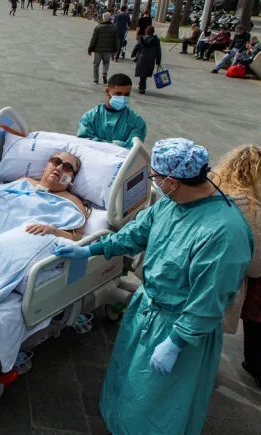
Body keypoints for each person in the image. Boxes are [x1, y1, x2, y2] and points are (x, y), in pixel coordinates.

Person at [54, 138, 253, 435]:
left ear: (172, 181)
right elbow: (135, 234)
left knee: (157, 402)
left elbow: (209, 299)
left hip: (180, 329)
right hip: (148, 311)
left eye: (155, 178)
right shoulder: (172, 204)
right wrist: (89, 250)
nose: (154, 183)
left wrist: (176, 343)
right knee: (129, 382)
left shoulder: (224, 232)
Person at [213, 145, 261, 389]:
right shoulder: (251, 208)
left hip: (193, 270)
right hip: (225, 282)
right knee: (209, 335)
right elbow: (256, 268)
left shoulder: (212, 187)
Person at [22, 152, 87, 241]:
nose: (59, 168)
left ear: (71, 179)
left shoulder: (73, 202)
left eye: (67, 167)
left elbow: (76, 237)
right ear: (45, 168)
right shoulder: (23, 182)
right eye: (56, 162)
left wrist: (53, 231)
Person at [77, 73, 147, 149]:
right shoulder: (89, 118)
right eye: (118, 94)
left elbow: (132, 150)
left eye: (126, 94)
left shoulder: (137, 122)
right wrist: (116, 146)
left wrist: (101, 144)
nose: (123, 98)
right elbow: (84, 143)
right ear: (107, 91)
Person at [88, 13, 120, 85]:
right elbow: (116, 40)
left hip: (98, 49)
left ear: (103, 18)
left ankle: (96, 79)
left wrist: (90, 49)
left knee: (96, 64)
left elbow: (94, 39)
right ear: (109, 18)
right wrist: (115, 49)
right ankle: (104, 73)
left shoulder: (98, 27)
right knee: (106, 63)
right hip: (108, 50)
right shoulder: (114, 28)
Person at [133, 26, 161, 94]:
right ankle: (142, 87)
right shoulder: (156, 40)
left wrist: (133, 54)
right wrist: (158, 60)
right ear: (153, 32)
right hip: (151, 59)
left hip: (142, 58)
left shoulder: (142, 38)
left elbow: (137, 46)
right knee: (144, 74)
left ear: (146, 31)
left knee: (142, 74)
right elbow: (158, 50)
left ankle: (142, 87)